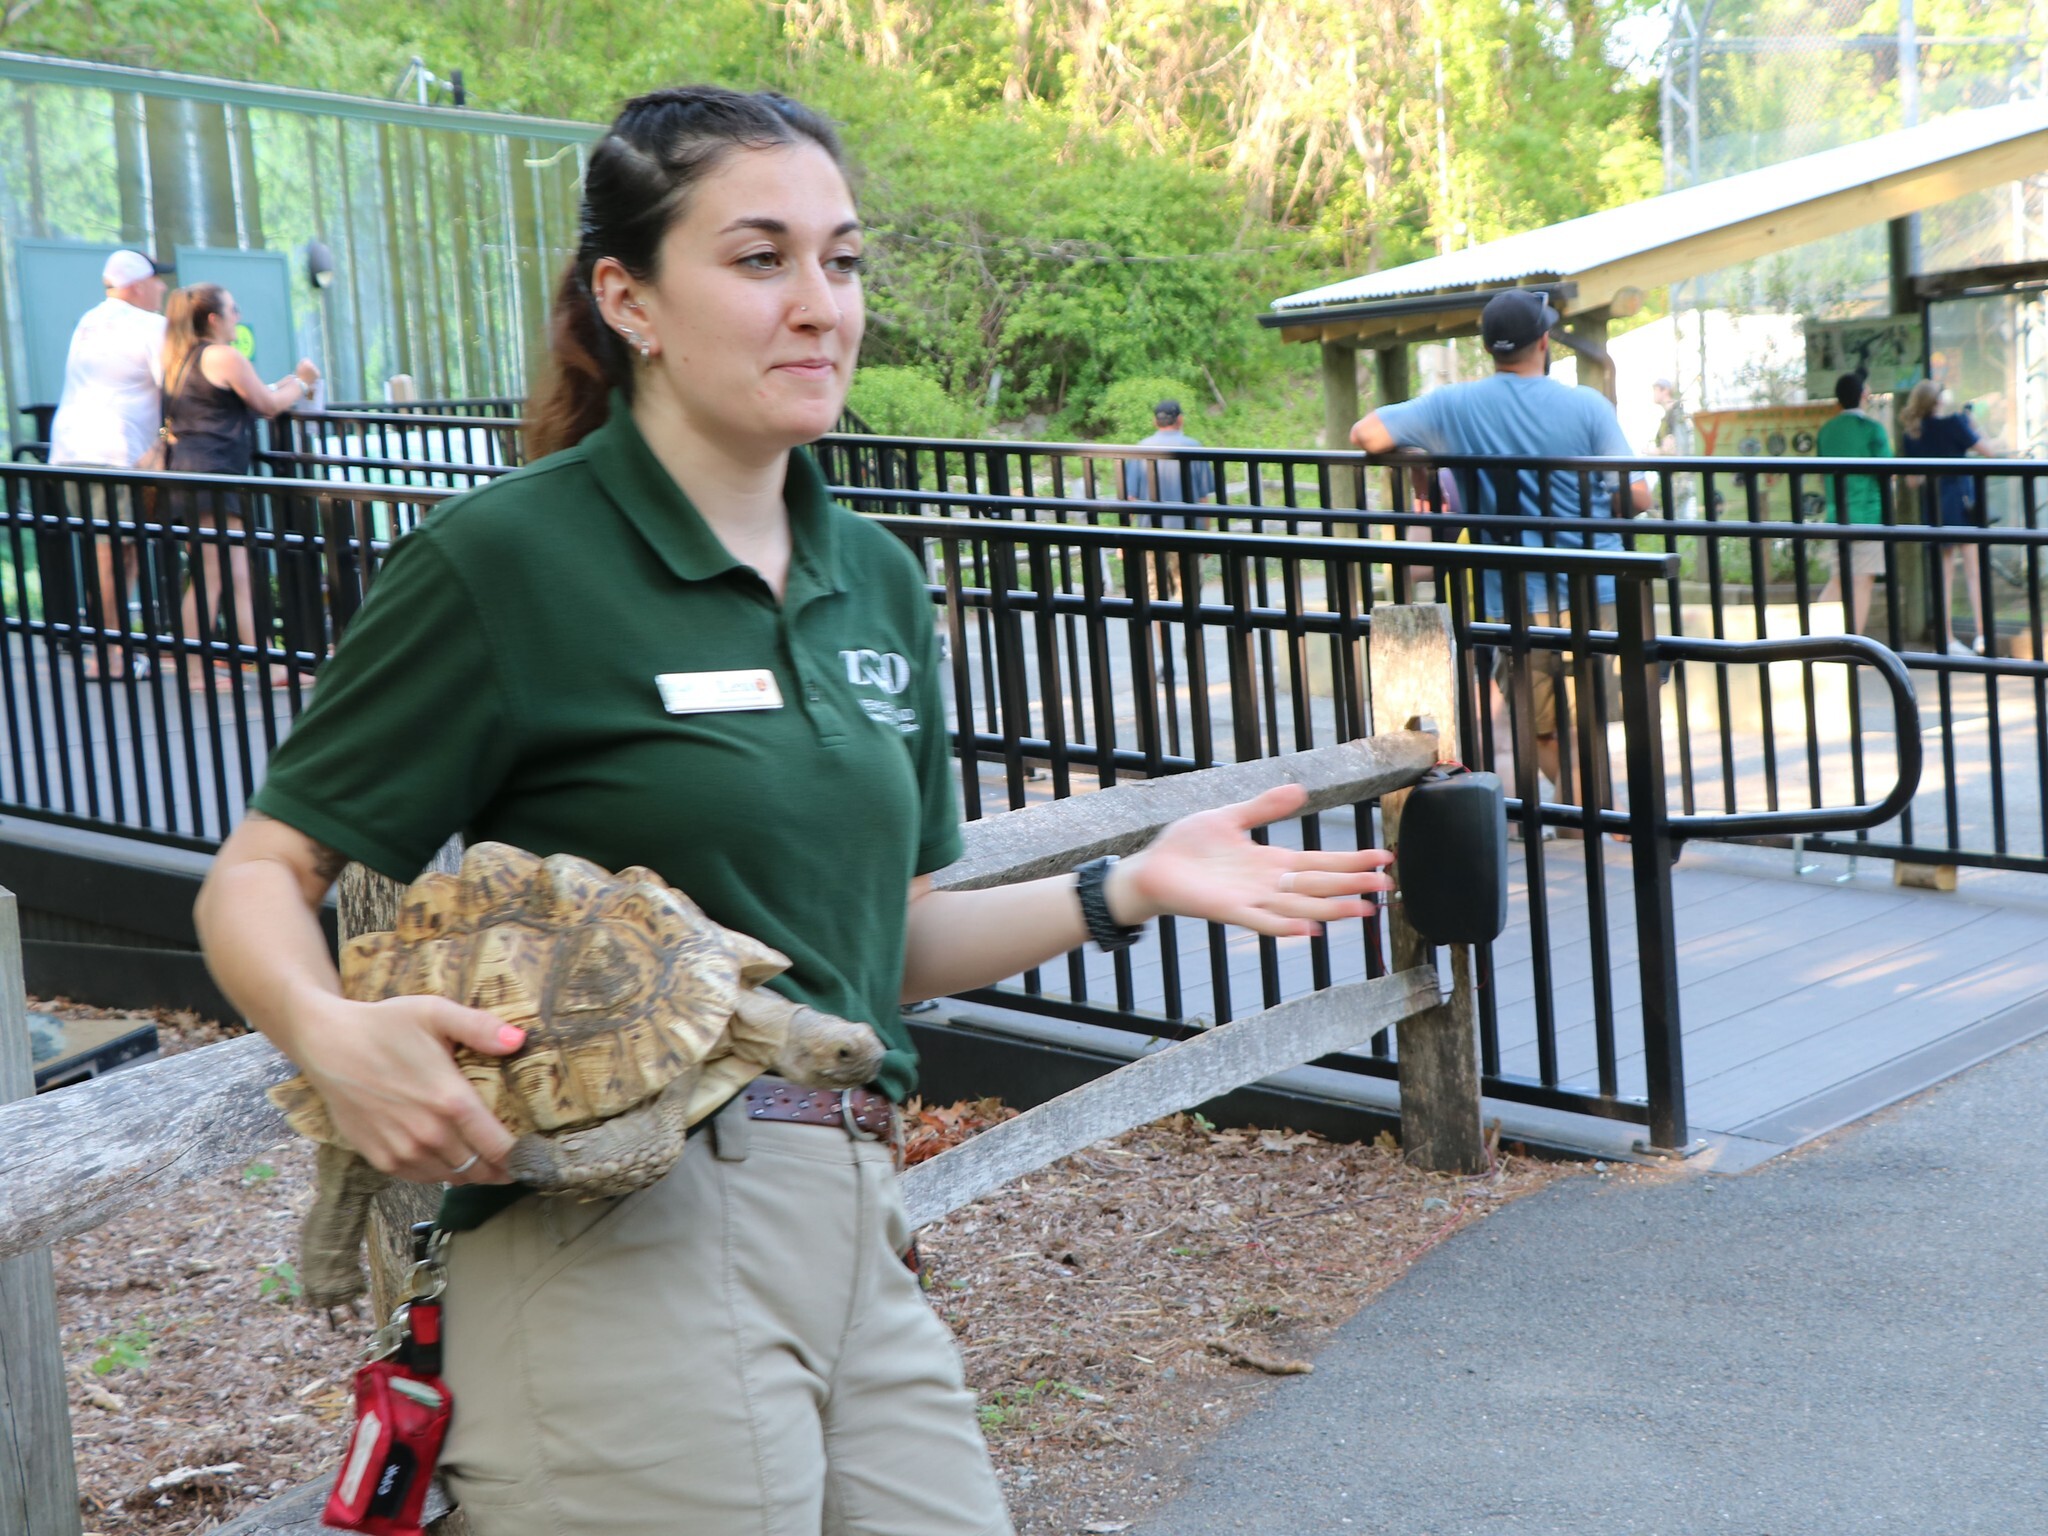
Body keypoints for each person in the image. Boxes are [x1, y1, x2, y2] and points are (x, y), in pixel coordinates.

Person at [192, 85, 1393, 1536]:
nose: (820, 304)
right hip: (615, 1228)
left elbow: (876, 950)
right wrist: (329, 1032)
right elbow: (262, 870)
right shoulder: (504, 560)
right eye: (760, 260)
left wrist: (1127, 888)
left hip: (857, 1213)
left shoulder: (875, 577)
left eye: (842, 259)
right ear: (627, 298)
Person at [1350, 288, 1650, 807]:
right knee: (1591, 719)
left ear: (1489, 347)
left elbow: (1366, 434)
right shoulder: (1585, 405)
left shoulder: (1454, 405)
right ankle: (1607, 821)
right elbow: (1636, 493)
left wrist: (1419, 454)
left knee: (1538, 728)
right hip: (1595, 584)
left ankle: (1597, 817)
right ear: (1544, 340)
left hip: (1514, 597)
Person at [158, 283, 319, 684]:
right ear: (214, 318)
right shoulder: (222, 356)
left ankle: (267, 665)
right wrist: (300, 383)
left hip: (193, 475)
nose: (239, 315)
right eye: (233, 308)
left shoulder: (181, 357)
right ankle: (195, 670)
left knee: (236, 574)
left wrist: (287, 386)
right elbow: (265, 405)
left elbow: (261, 394)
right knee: (211, 575)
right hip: (211, 478)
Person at [46, 248, 173, 680]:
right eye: (157, 280)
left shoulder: (89, 321)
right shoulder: (150, 325)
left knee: (118, 549)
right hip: (115, 452)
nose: (163, 288)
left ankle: (112, 649)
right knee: (113, 553)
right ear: (137, 284)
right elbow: (173, 386)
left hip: (71, 450)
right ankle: (108, 655)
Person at [1899, 379, 2004, 657]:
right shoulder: (1956, 423)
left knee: (1943, 575)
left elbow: (1912, 481)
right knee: (1973, 571)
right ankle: (1982, 635)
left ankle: (1947, 639)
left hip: (1934, 507)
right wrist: (1973, 425)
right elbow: (1990, 451)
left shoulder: (1913, 434)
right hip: (1961, 503)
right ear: (1938, 401)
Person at [1813, 372, 1892, 638]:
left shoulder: (1826, 431)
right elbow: (1889, 470)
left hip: (1837, 515)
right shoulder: (1872, 429)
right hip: (1868, 514)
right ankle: (1852, 650)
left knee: (1838, 579)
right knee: (1862, 582)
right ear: (1864, 395)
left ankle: (1810, 639)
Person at [1121, 398, 1216, 598]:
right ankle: (1189, 629)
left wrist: (1124, 540)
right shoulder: (1195, 448)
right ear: (1180, 420)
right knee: (1188, 594)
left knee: (1154, 595)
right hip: (1186, 534)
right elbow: (1203, 500)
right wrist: (1206, 537)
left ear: (1156, 422)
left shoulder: (1140, 449)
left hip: (1150, 534)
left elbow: (1130, 499)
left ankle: (1159, 630)